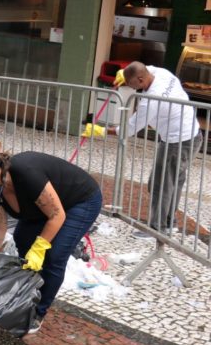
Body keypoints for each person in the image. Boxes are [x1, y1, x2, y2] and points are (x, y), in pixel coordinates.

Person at [0, 142, 102, 334]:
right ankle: (28, 291)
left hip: (80, 201)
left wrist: (40, 247)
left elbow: (57, 215)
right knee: (22, 240)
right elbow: (0, 225)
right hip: (43, 208)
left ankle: (38, 311)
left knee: (54, 255)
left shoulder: (25, 173)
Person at [82, 61, 201, 238]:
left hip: (178, 142)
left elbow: (129, 129)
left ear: (140, 79)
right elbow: (146, 67)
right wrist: (124, 73)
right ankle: (168, 223)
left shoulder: (151, 100)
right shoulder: (161, 73)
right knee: (172, 182)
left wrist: (102, 130)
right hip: (192, 135)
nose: (132, 89)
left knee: (161, 184)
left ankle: (156, 229)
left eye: (132, 85)